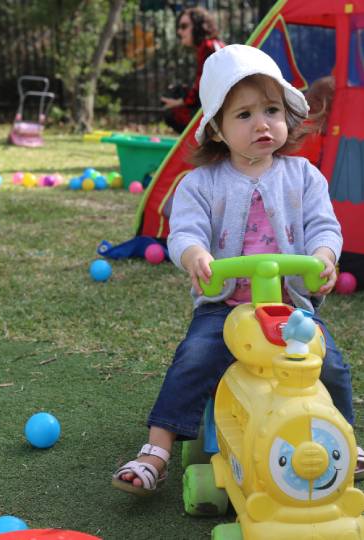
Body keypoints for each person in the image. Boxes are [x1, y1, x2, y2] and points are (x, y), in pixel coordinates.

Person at [112, 44, 362, 495]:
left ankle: (344, 438)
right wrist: (194, 256)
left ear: (287, 116)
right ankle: (157, 449)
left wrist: (325, 256)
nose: (262, 123)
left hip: (290, 311)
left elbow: (325, 226)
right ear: (219, 131)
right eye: (244, 115)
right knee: (194, 358)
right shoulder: (201, 184)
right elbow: (183, 232)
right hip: (225, 307)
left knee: (329, 365)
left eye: (271, 110)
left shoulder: (304, 176)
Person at [161, 6, 224, 134]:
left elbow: (199, 91)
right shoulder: (212, 45)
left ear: (198, 26)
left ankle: (195, 147)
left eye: (184, 26)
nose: (179, 32)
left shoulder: (207, 47)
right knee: (180, 92)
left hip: (219, 113)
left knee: (171, 113)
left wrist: (177, 103)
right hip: (220, 107)